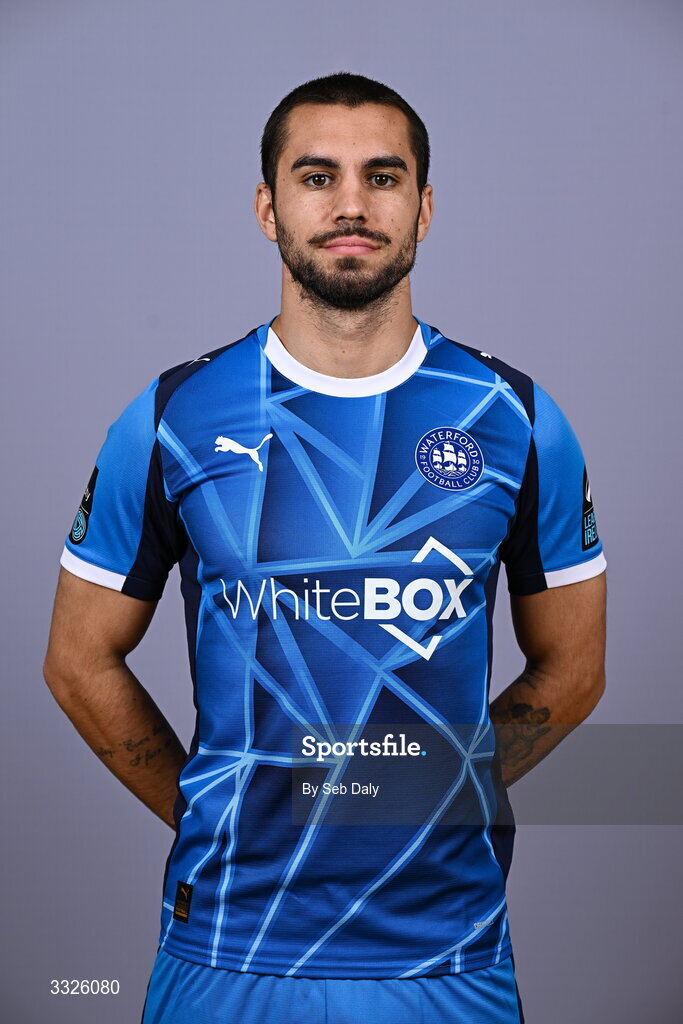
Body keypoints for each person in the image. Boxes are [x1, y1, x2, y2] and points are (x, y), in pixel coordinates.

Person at [43, 72, 607, 1024]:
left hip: (444, 952)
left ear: (424, 207)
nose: (351, 203)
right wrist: (207, 809)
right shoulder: (171, 417)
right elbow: (77, 659)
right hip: (228, 946)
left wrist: (433, 787)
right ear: (268, 207)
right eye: (316, 176)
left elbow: (575, 668)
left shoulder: (515, 419)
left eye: (382, 177)